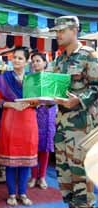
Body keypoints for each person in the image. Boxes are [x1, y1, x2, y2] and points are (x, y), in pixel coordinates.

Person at [51, 16, 98, 208]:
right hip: (61, 128)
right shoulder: (59, 59)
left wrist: (78, 99)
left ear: (75, 30)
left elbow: (96, 86)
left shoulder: (89, 55)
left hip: (82, 130)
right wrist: (43, 99)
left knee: (81, 182)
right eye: (57, 31)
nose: (58, 34)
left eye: (62, 30)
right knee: (65, 181)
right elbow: (55, 90)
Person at [0, 47, 38, 206]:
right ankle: (12, 194)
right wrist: (13, 105)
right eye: (14, 57)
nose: (16, 60)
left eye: (20, 58)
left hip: (29, 122)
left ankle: (23, 194)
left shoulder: (34, 79)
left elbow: (39, 100)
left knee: (26, 162)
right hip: (10, 122)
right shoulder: (3, 79)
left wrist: (33, 103)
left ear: (26, 61)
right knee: (11, 162)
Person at [28, 52, 57, 189]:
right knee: (33, 146)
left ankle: (42, 177)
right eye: (33, 61)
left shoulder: (52, 79)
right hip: (33, 113)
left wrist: (46, 101)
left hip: (47, 114)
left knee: (45, 147)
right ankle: (33, 176)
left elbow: (57, 97)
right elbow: (26, 97)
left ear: (45, 63)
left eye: (38, 61)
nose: (35, 63)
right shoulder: (29, 79)